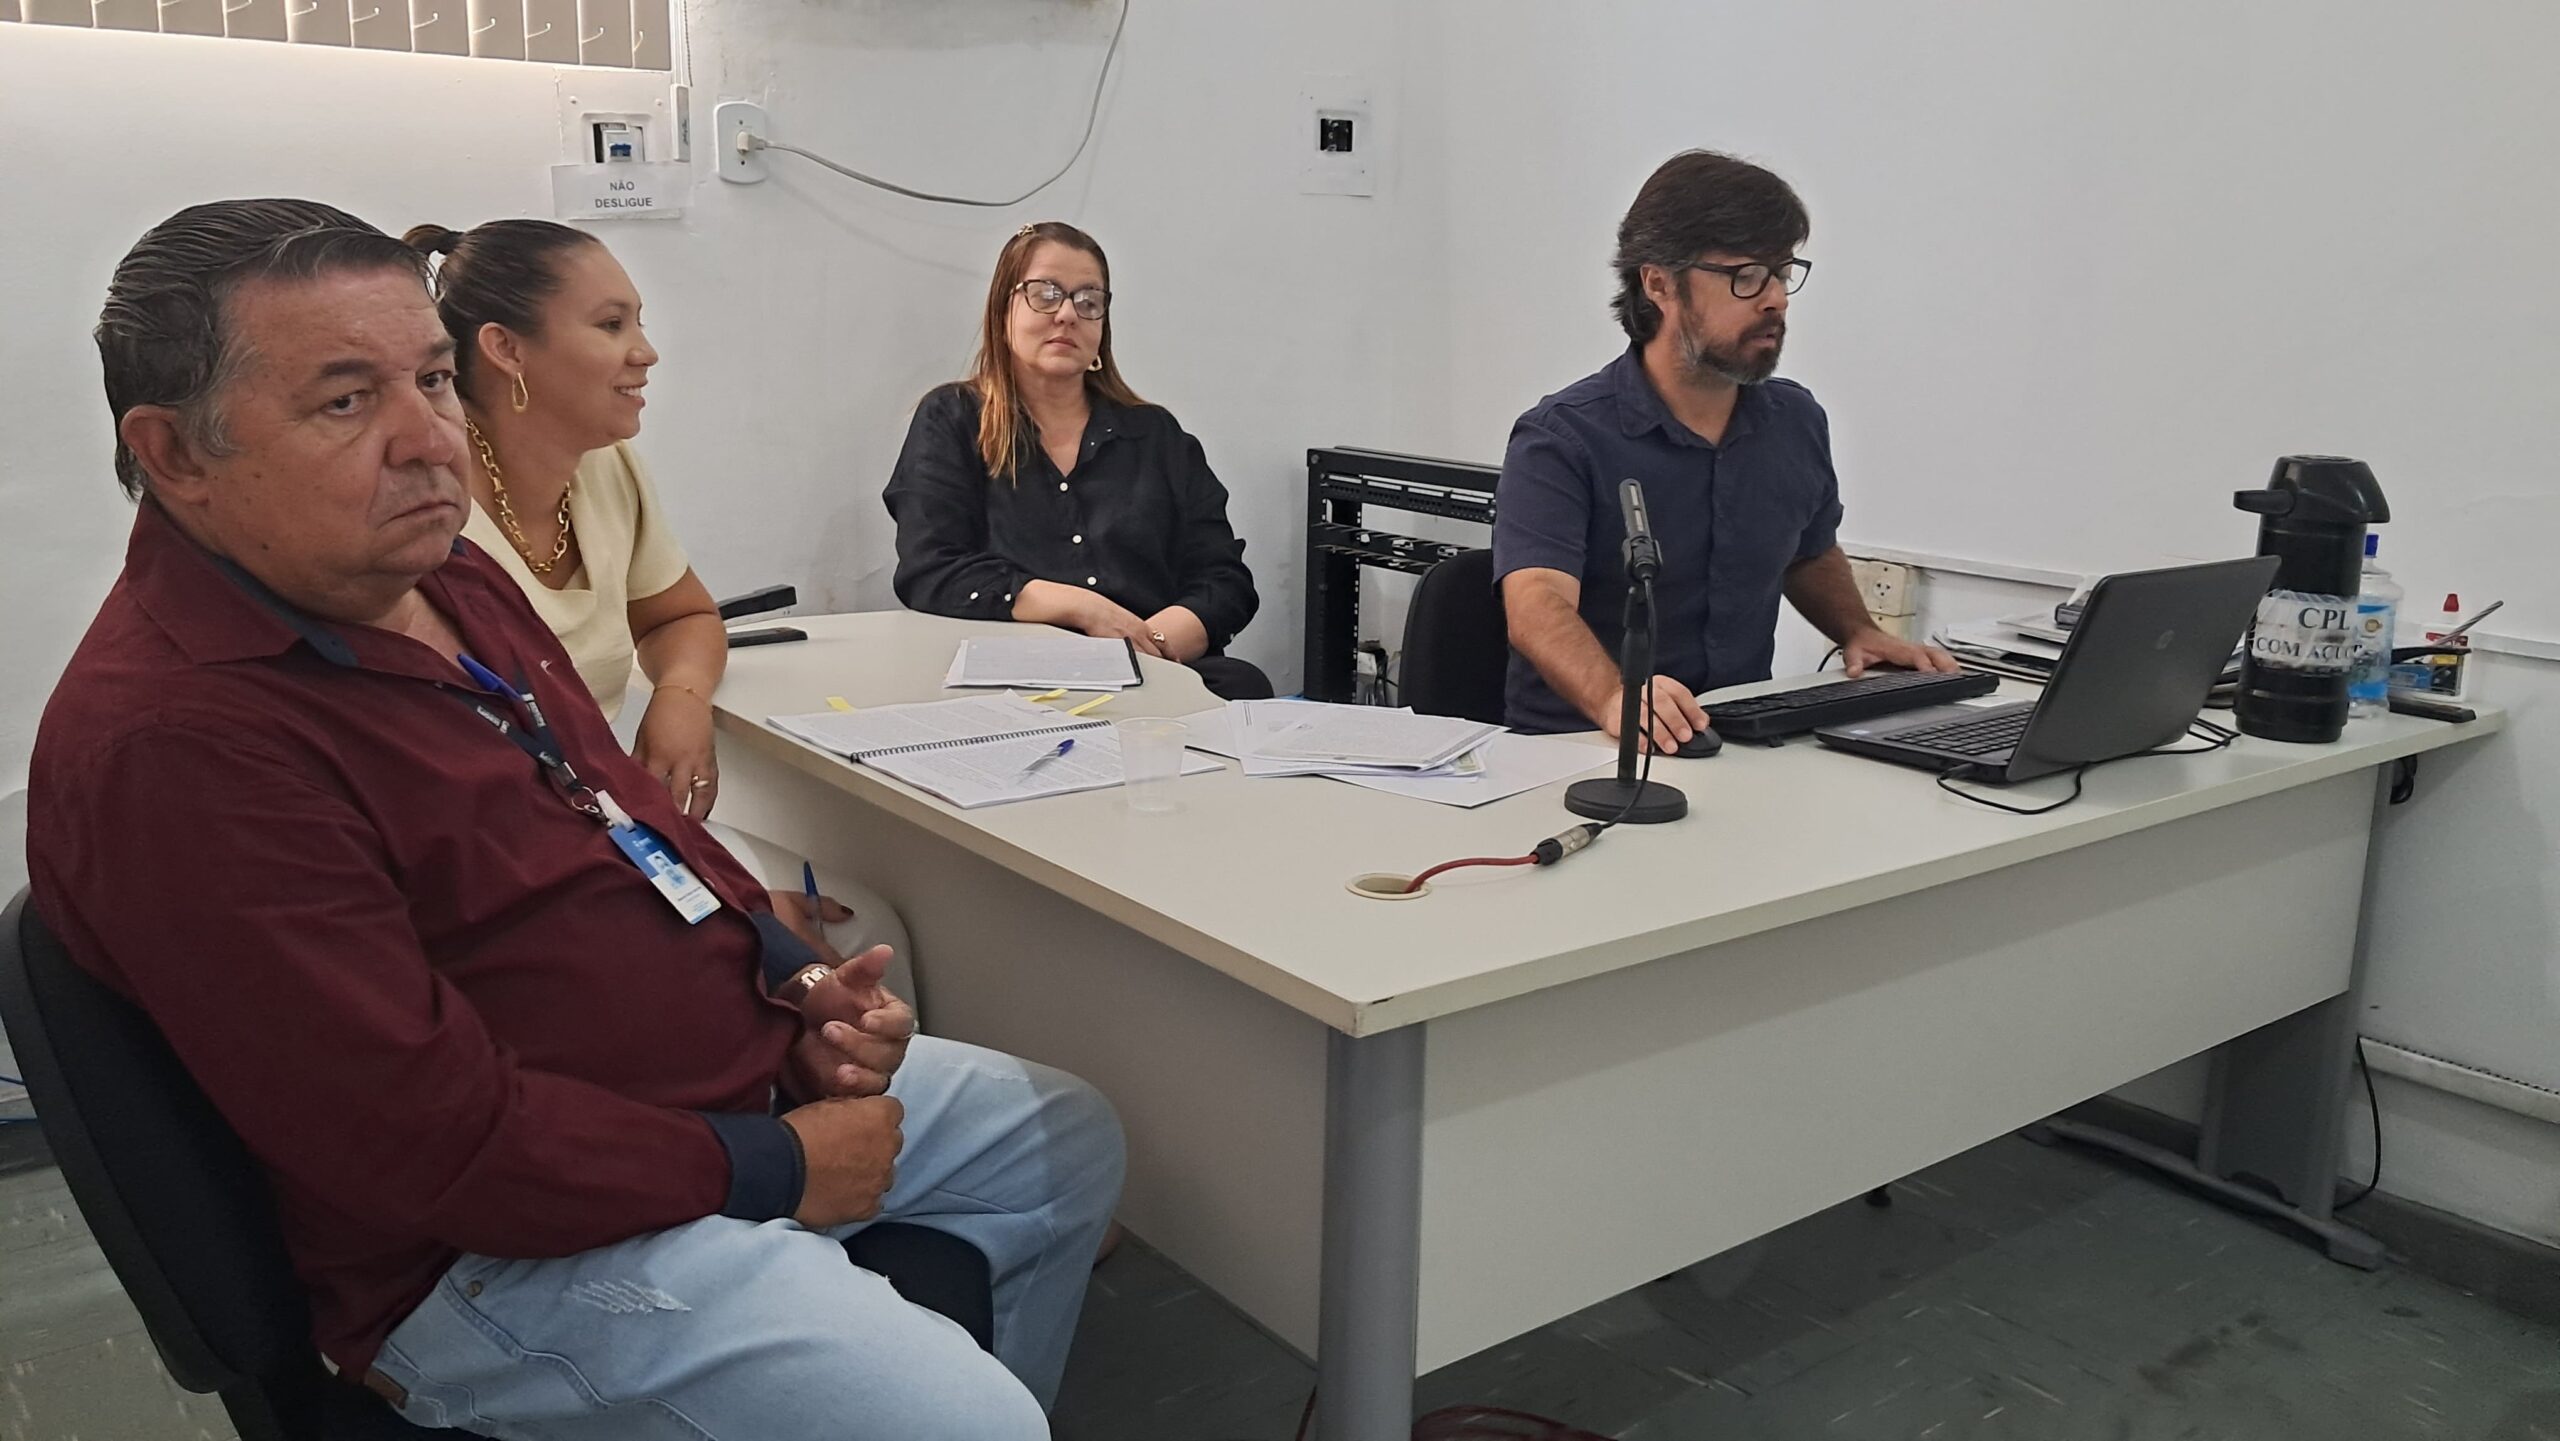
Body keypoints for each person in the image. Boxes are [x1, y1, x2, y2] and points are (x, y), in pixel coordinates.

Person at [29, 198, 1122, 1440]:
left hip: (697, 1109)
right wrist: (782, 1166)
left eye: (431, 380)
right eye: (344, 401)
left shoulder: (443, 574)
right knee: (969, 1422)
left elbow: (619, 805)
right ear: (175, 454)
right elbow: (427, 1143)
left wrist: (791, 980)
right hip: (493, 1246)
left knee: (1063, 1141)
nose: (428, 440)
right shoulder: (179, 747)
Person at [1494, 151, 1957, 748]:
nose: (1776, 299)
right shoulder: (1562, 439)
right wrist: (1615, 695)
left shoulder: (1795, 421)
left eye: (1782, 273)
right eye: (1746, 276)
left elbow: (1808, 553)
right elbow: (1537, 602)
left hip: (1740, 742)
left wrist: (1858, 630)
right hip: (1581, 749)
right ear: (1658, 283)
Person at [402, 219, 730, 818]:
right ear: (507, 349)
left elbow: (681, 615)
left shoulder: (609, 465)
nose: (646, 352)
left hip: (585, 812)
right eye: (611, 325)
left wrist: (682, 696)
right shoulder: (423, 499)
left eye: (639, 322)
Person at [885, 221, 1272, 701]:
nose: (1067, 314)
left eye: (1088, 301)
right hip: (1010, 678)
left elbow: (1224, 580)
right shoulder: (953, 419)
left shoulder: (1156, 436)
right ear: (1002, 308)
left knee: (1245, 686)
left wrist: (1147, 646)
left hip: (1155, 670)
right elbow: (931, 569)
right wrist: (1082, 608)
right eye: (1044, 294)